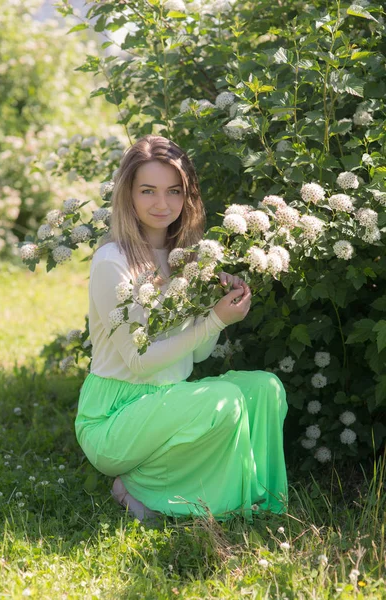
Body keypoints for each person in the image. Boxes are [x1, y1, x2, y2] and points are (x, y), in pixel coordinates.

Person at [74, 134, 288, 522]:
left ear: (187, 196)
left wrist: (215, 306)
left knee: (263, 389)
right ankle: (139, 486)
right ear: (129, 195)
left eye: (174, 191)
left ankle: (258, 498)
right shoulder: (112, 261)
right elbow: (140, 364)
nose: (162, 204)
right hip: (113, 417)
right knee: (222, 399)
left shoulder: (186, 257)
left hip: (167, 402)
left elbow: (198, 354)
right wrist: (216, 319)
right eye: (148, 191)